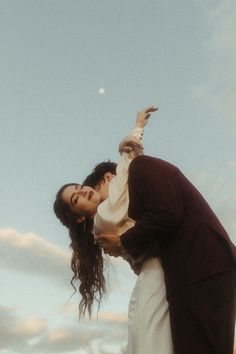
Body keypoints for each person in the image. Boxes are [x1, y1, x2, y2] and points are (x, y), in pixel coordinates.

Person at [54, 107, 174, 353]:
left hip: (156, 277)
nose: (84, 191)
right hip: (157, 276)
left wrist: (136, 131)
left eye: (78, 187)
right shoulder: (103, 220)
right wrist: (132, 136)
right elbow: (127, 168)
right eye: (76, 199)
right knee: (154, 344)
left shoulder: (109, 213)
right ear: (79, 219)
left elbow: (126, 172)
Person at [97, 155, 236, 354]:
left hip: (202, 264)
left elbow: (167, 213)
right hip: (195, 268)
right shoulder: (138, 194)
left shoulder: (140, 166)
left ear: (108, 178)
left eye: (101, 197)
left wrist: (122, 242)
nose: (106, 205)